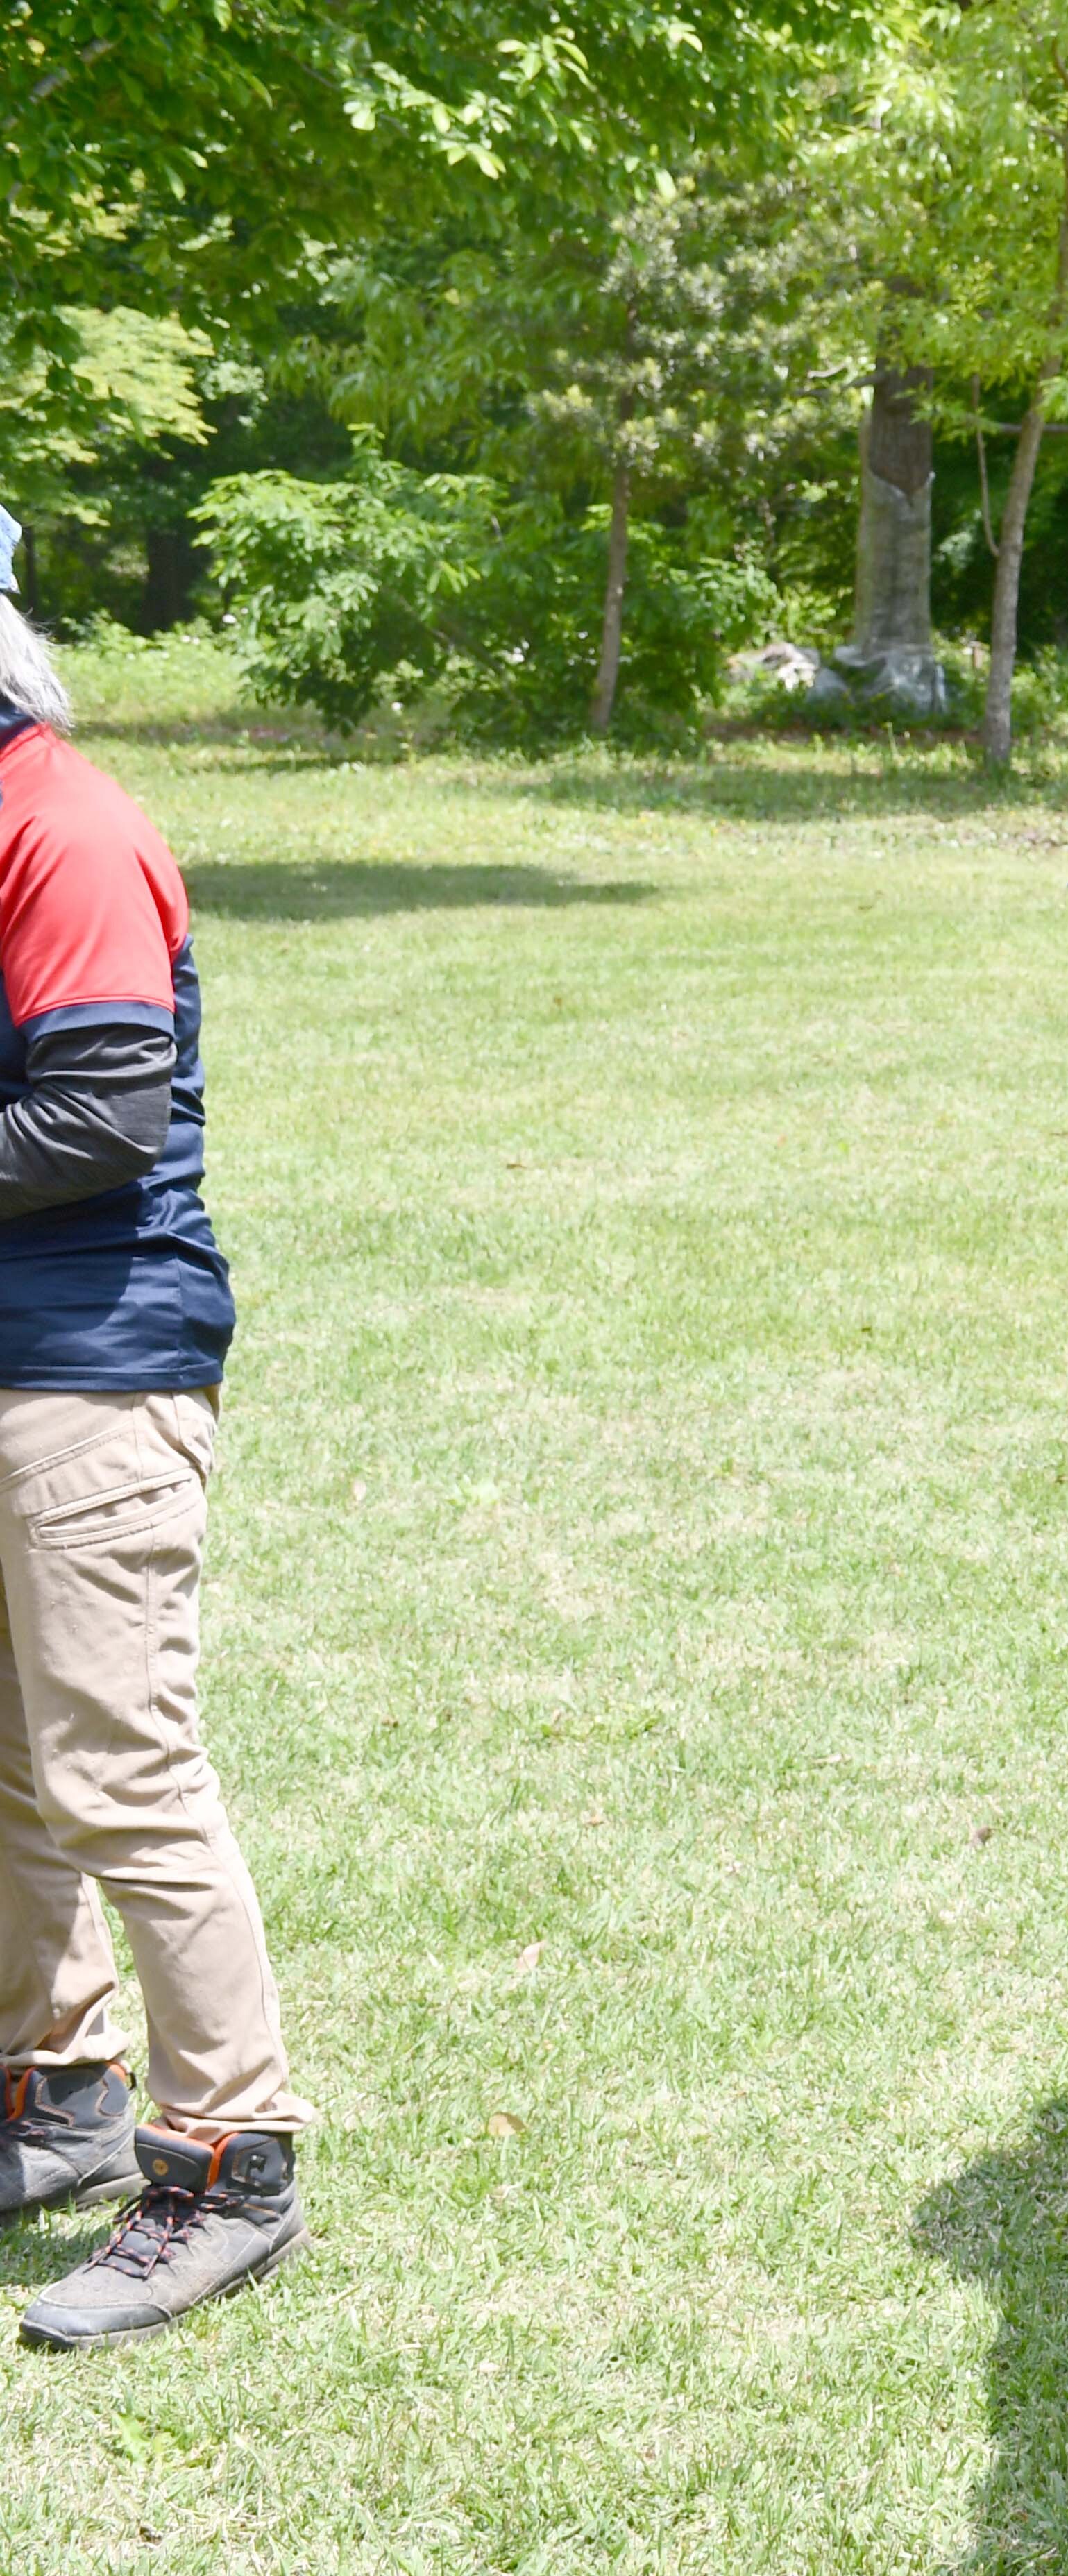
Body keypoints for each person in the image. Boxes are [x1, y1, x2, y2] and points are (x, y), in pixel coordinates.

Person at [0, 506, 315, 2348]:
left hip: (91, 1368)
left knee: (120, 1772)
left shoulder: (67, 829)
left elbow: (101, 1118)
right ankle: (53, 2094)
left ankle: (228, 2164)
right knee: (13, 1767)